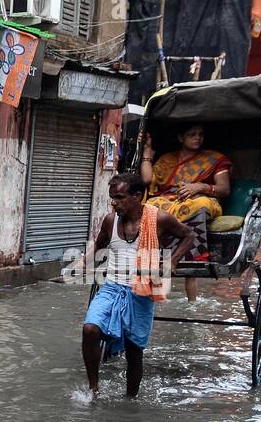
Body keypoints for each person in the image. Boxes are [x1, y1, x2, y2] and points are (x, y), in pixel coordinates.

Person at [82, 173, 196, 399]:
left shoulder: (159, 219)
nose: (114, 202)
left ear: (137, 196)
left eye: (120, 197)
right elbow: (98, 246)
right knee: (90, 329)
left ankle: (130, 401)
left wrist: (172, 260)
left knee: (134, 352)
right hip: (112, 287)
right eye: (112, 197)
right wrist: (79, 265)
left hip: (140, 291)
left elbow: (189, 235)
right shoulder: (109, 221)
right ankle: (94, 389)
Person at [140, 124, 232, 300]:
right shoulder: (167, 160)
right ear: (181, 138)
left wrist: (201, 186)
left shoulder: (214, 159)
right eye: (192, 134)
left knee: (200, 205)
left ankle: (191, 260)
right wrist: (146, 153)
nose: (198, 138)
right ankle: (155, 261)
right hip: (168, 199)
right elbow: (147, 179)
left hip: (201, 198)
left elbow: (224, 189)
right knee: (150, 207)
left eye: (201, 134)